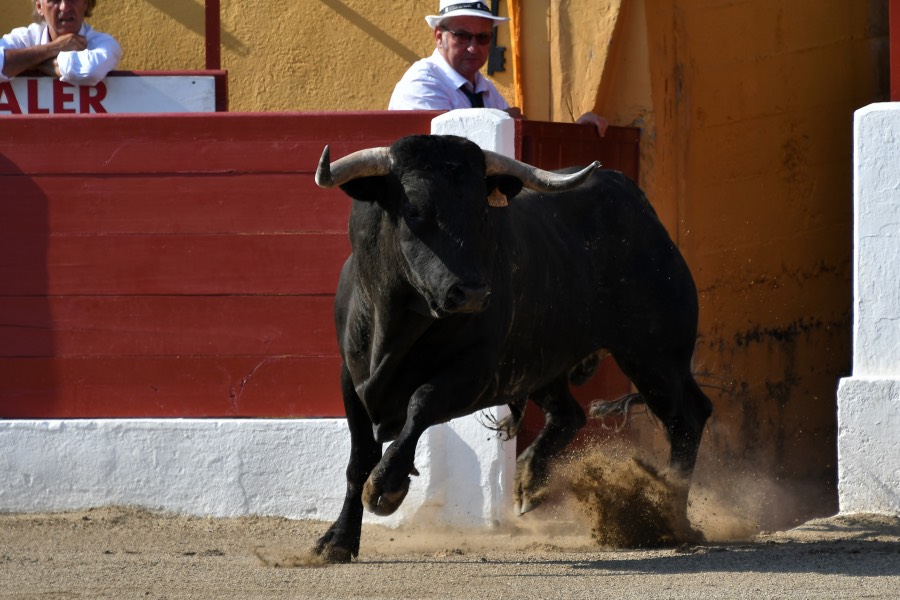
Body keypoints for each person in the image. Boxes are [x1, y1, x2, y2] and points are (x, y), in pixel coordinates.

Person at [389, 0, 608, 136]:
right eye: (462, 37)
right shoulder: (422, 82)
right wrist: (503, 121)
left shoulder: (484, 87)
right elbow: (443, 151)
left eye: (483, 38)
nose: (473, 48)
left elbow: (520, 145)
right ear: (439, 37)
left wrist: (577, 133)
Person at [0, 0, 122, 87]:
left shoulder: (103, 43)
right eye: (55, 0)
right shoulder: (26, 37)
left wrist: (27, 63)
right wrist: (55, 47)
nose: (64, 7)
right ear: (39, 7)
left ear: (85, 3)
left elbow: (88, 72)